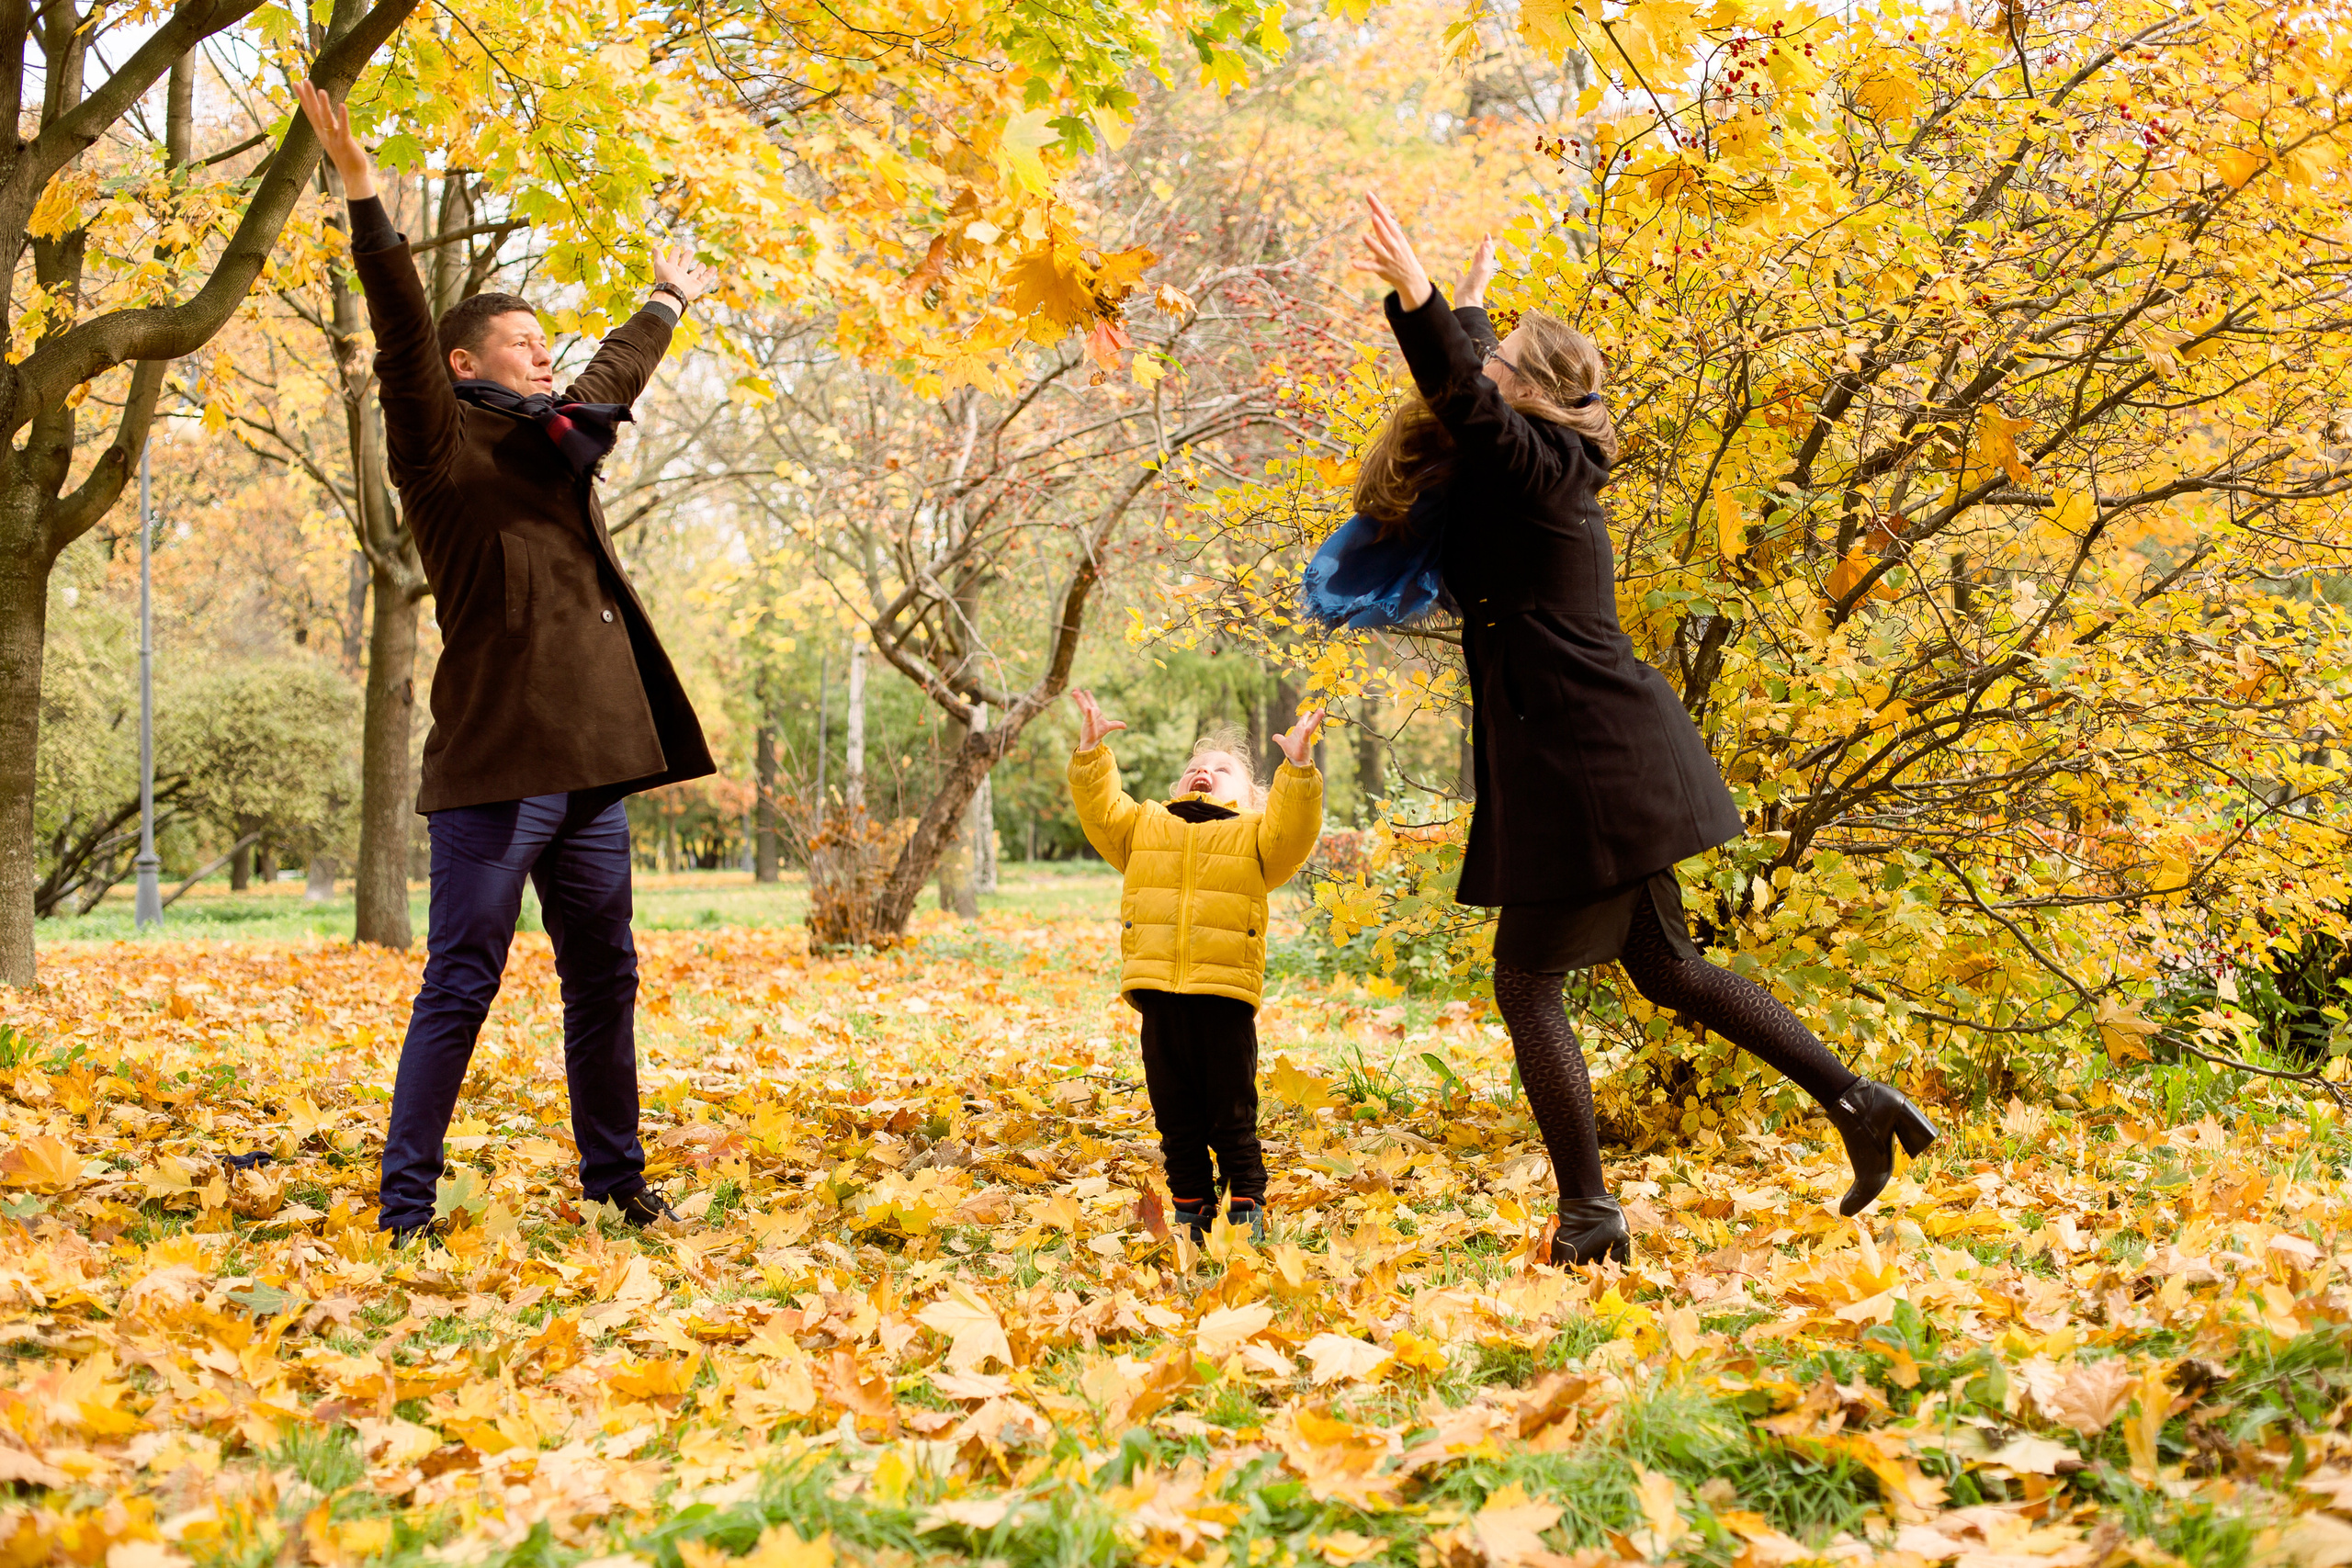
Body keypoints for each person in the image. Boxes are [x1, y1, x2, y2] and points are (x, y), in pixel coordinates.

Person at [1352, 193, 1938, 1266]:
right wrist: (1468, 311)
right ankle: (1855, 1101)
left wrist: (1425, 299)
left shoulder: (1531, 467)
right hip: (1608, 756)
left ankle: (1589, 1218)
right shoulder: (1546, 457)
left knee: (1527, 984)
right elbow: (1484, 401)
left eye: (1500, 359)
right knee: (1667, 969)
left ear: (1526, 392)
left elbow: (1474, 411)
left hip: (1583, 767)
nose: (1484, 369)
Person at [296, 82, 719, 1244]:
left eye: (549, 346)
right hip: (495, 764)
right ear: (465, 358)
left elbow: (607, 386)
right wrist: (365, 197)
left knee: (606, 976)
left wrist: (664, 300)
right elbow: (394, 330)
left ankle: (617, 1181)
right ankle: (405, 1205)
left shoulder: (555, 446)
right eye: (525, 347)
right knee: (462, 982)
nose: (547, 362)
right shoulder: (439, 444)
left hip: (592, 762)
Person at [1067, 692, 1326, 1243]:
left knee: (1231, 1114)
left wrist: (1298, 771)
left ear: (1251, 795)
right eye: (1194, 768)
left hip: (1224, 997)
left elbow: (1294, 831)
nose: (1204, 772)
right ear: (1176, 787)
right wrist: (1091, 756)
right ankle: (1191, 1210)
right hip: (1158, 994)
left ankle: (1246, 1207)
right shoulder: (1143, 826)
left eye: (1221, 769)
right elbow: (1099, 811)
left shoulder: (1256, 833)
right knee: (1175, 1115)